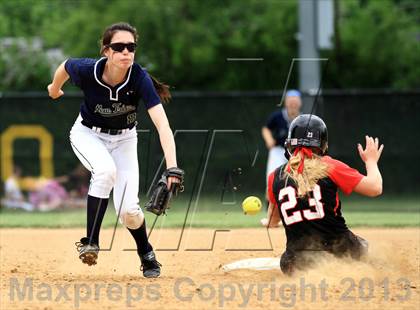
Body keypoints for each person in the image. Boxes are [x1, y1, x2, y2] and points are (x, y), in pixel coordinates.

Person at [47, 22, 183, 278]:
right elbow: (65, 66)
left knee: (129, 211)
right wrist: (55, 88)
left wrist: (172, 167)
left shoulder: (139, 78)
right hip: (87, 134)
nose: (126, 52)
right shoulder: (88, 70)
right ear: (106, 51)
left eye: (131, 47)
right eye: (119, 47)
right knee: (105, 171)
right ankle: (91, 241)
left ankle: (146, 253)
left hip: (124, 140)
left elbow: (163, 125)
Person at [263, 114, 384, 275]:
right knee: (364, 247)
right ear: (323, 144)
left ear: (290, 143)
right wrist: (371, 162)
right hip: (340, 255)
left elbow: (272, 221)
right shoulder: (330, 166)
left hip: (294, 263)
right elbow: (375, 188)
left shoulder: (275, 176)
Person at [261, 90, 302, 181]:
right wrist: (269, 140)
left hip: (297, 152)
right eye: (290, 102)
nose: (293, 105)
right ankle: (271, 195)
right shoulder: (278, 116)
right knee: (273, 176)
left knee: (298, 178)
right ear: (286, 103)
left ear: (300, 103)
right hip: (278, 151)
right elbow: (266, 128)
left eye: (295, 102)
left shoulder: (303, 119)